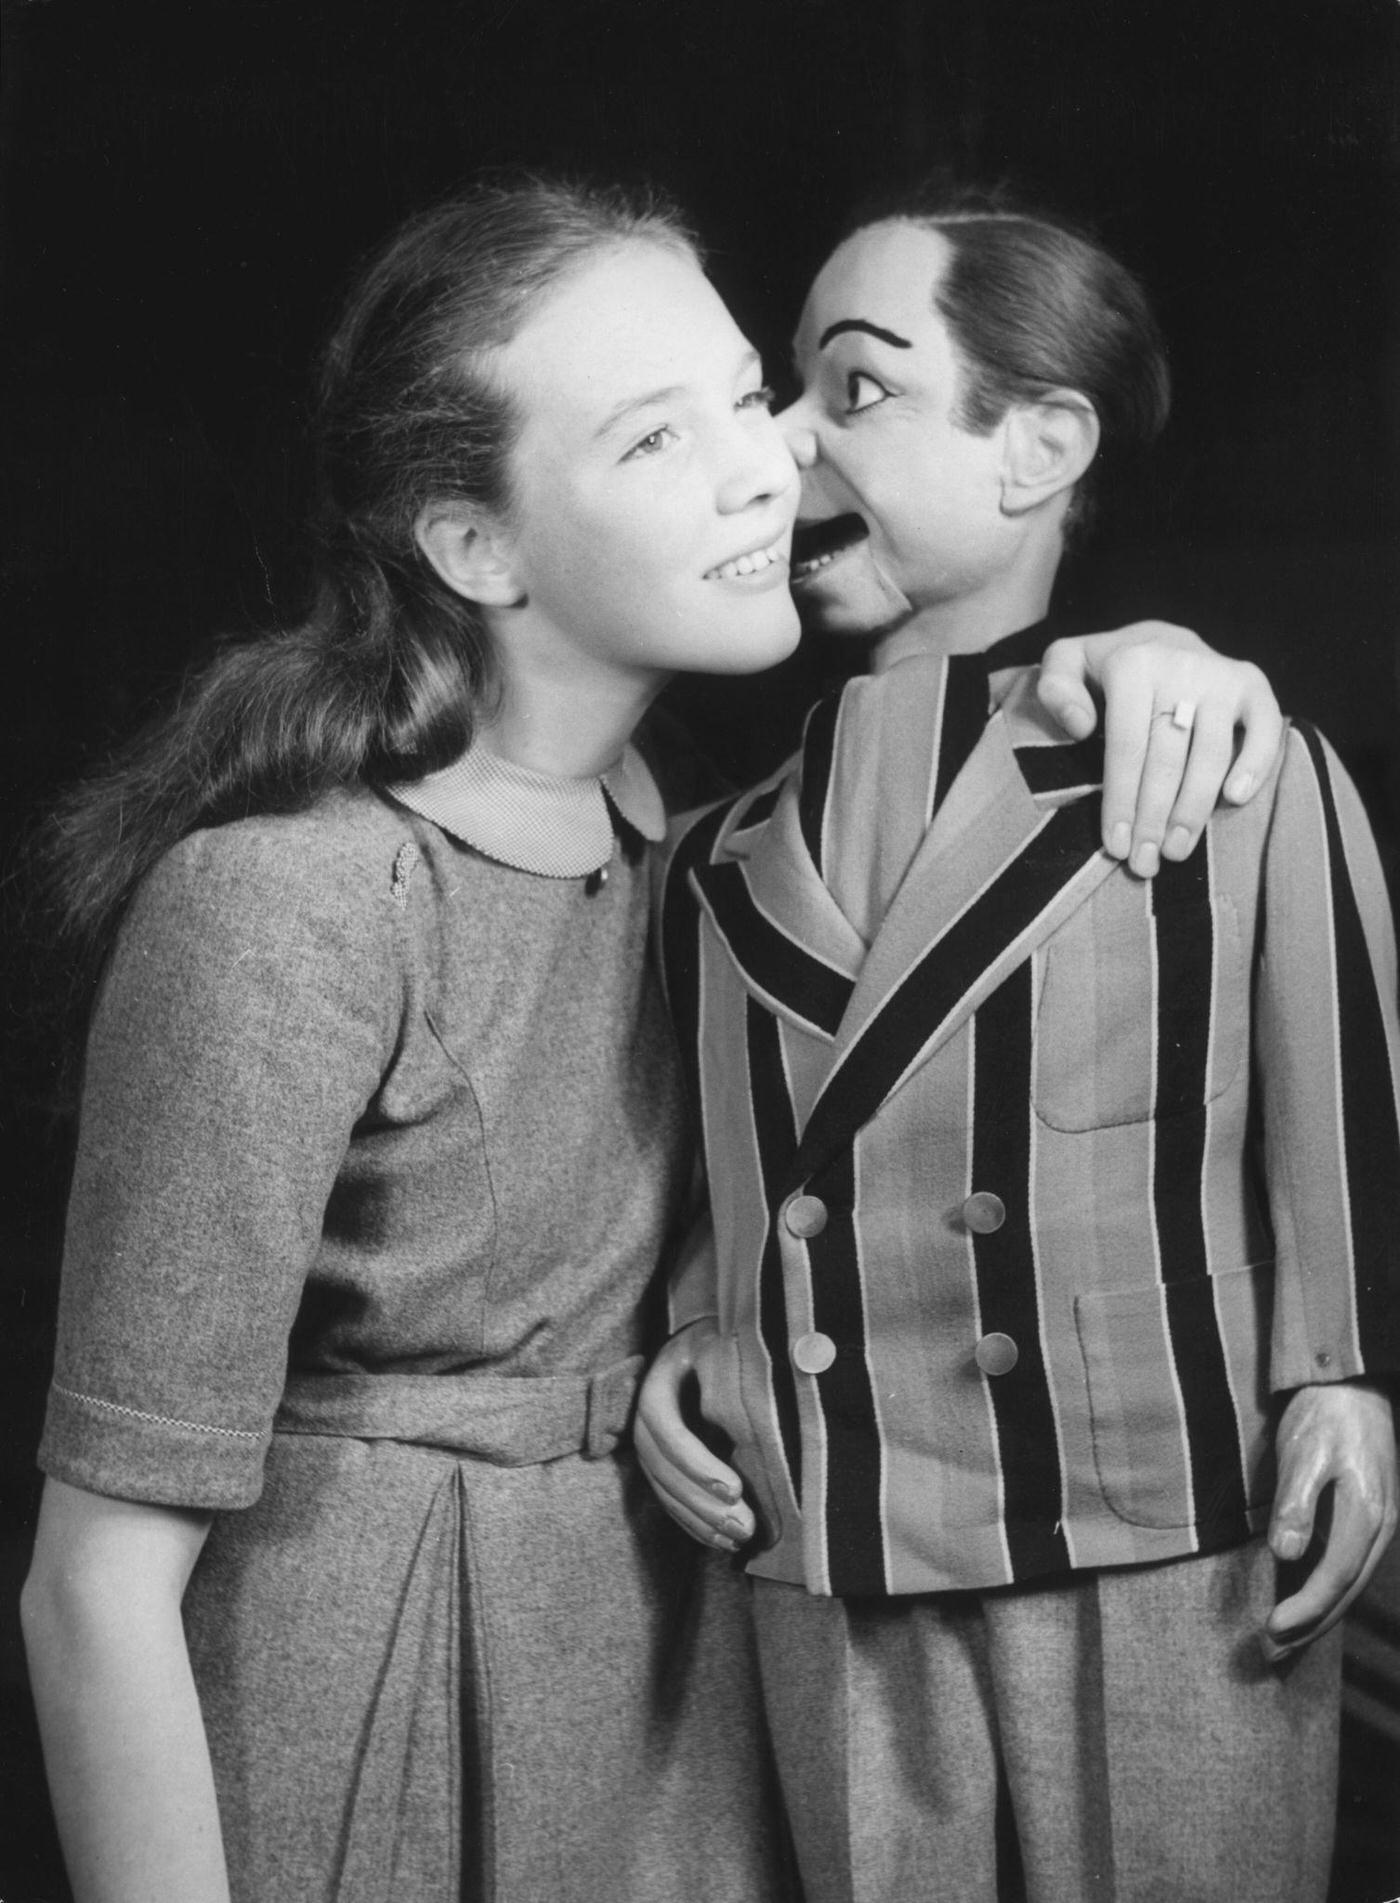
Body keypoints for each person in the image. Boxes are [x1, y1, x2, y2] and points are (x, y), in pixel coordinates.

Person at [20, 172, 1281, 1903]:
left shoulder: (710, 849)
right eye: (650, 441)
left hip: (700, 1711)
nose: (773, 461)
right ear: (474, 548)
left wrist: (1158, 661)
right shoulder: (286, 903)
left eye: (750, 394)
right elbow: (92, 1582)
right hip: (380, 1740)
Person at [638, 184, 1400, 1902]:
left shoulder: (1230, 772)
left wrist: (1341, 1379)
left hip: (1152, 1532)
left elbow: (1337, 1130)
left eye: (857, 388)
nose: (789, 447)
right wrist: (704, 1313)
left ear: (1038, 445)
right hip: (827, 1534)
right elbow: (738, 1143)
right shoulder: (711, 855)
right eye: (788, 394)